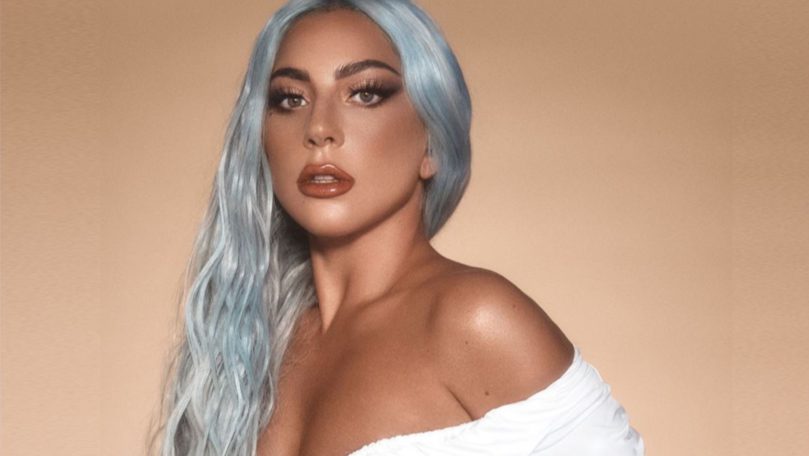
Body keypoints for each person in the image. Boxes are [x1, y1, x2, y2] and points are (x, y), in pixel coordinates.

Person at [154, 1, 645, 455]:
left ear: (432, 142)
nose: (319, 129)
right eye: (290, 99)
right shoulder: (246, 353)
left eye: (365, 93)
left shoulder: (474, 319)